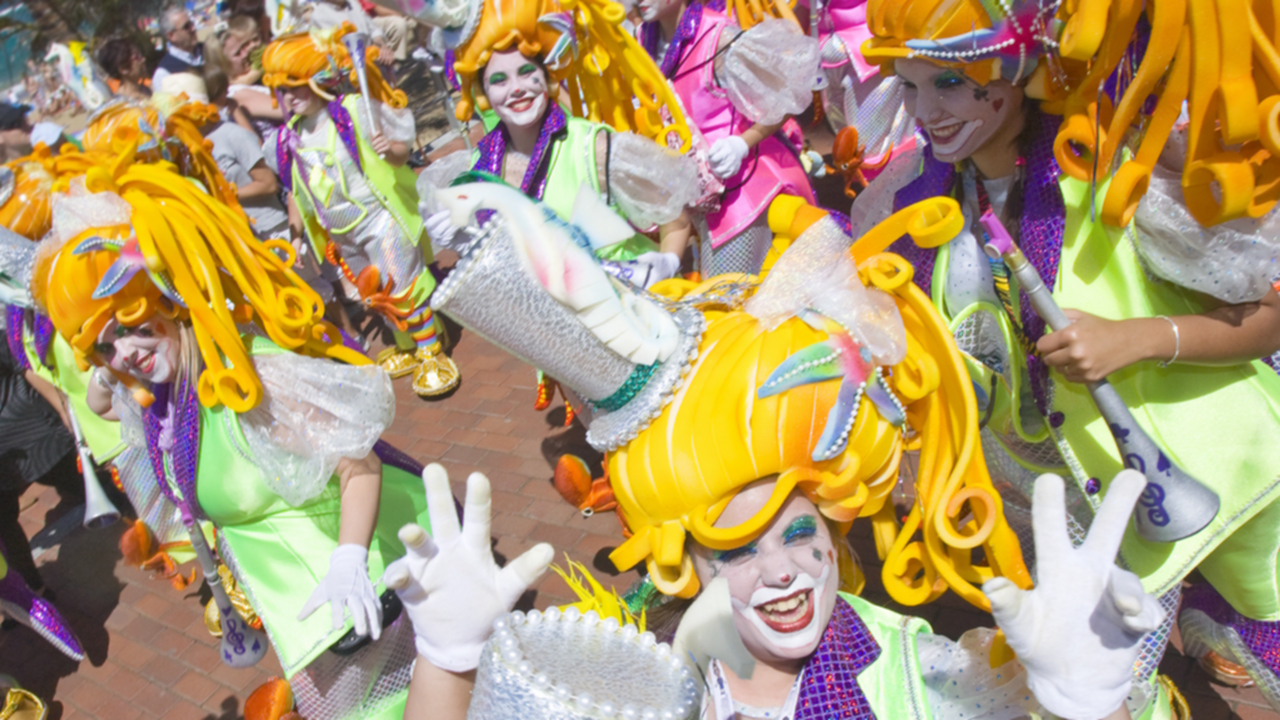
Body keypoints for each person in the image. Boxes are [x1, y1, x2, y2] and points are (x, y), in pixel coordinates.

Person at [380, 183, 1169, 720]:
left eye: (798, 534)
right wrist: (447, 664)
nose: (782, 572)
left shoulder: (912, 682)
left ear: (835, 522)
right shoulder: (651, 674)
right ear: (691, 561)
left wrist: (1084, 704)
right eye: (734, 548)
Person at [853, 0, 1280, 704]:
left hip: (1212, 475)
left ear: (1011, 71)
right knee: (1081, 692)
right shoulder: (917, 194)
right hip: (1071, 512)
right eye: (909, 86)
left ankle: (1216, 620)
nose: (927, 110)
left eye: (950, 83)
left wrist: (1134, 340)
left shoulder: (1120, 169)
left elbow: (1268, 318)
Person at [32, 146, 433, 720]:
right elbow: (104, 397)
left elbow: (358, 465)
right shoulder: (168, 392)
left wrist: (350, 559)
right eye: (105, 345)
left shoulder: (251, 376)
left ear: (174, 302)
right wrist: (104, 354)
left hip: (359, 596)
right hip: (304, 610)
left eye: (135, 327)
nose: (127, 354)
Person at [417, 0, 699, 288]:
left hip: (636, 311)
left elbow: (676, 219)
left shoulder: (594, 148)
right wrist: (469, 244)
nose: (516, 88)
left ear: (547, 76)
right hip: (552, 328)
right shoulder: (478, 169)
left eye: (527, 72)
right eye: (499, 80)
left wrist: (667, 262)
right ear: (483, 95)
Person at [261, 23, 461, 397]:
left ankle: (430, 349)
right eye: (281, 89)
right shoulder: (288, 135)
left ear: (318, 77)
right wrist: (298, 235)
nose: (288, 96)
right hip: (342, 230)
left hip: (379, 216)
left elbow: (400, 152)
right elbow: (295, 190)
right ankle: (407, 346)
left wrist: (393, 150)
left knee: (402, 284)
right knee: (375, 290)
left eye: (294, 84)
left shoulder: (352, 111)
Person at [635, 0, 820, 276]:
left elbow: (786, 97)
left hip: (741, 193)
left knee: (725, 304)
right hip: (688, 196)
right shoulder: (640, 40)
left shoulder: (719, 37)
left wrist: (741, 145)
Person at [201, 69, 291, 241]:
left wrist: (223, 195)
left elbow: (265, 173)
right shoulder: (193, 141)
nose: (228, 94)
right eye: (223, 91)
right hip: (238, 233)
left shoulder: (228, 129)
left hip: (269, 226)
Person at [205, 15, 283, 141]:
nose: (246, 53)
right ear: (222, 65)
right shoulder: (238, 93)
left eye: (243, 47)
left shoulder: (247, 83)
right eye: (237, 53)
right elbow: (288, 109)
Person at [152, 5, 206, 89]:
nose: (193, 29)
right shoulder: (165, 73)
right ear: (171, 35)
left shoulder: (208, 49)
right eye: (186, 27)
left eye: (192, 24)